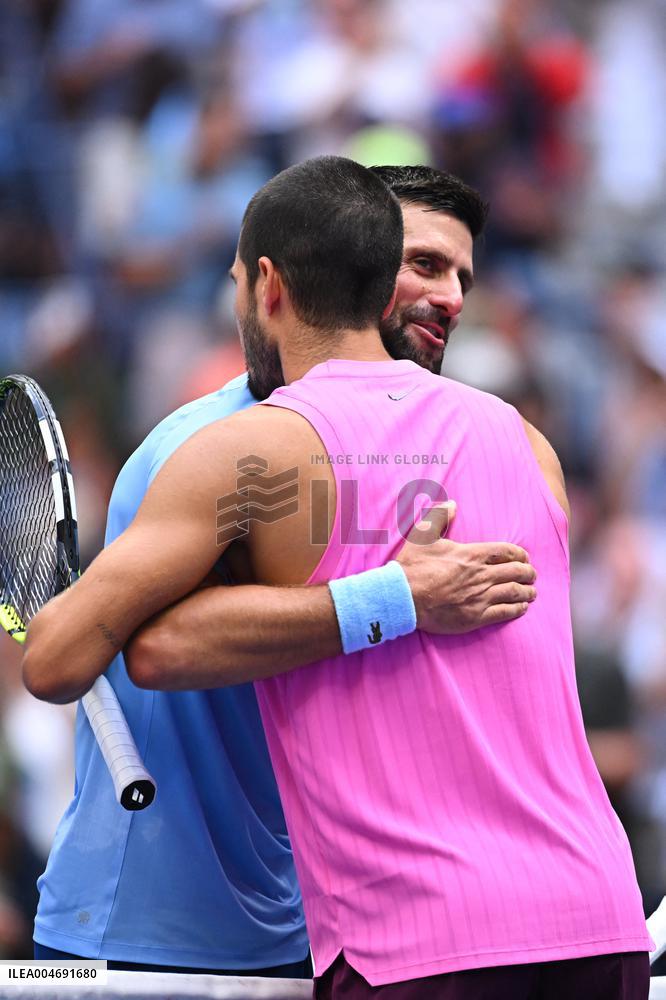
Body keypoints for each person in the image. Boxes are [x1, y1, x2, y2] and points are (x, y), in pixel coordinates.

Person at [25, 155, 652, 997]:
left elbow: (99, 654)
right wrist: (395, 598)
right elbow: (139, 653)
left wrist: (391, 600)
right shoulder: (511, 440)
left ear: (270, 284)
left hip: (381, 930)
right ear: (359, 264)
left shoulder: (472, 438)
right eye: (423, 264)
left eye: (463, 275)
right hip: (164, 931)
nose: (453, 298)